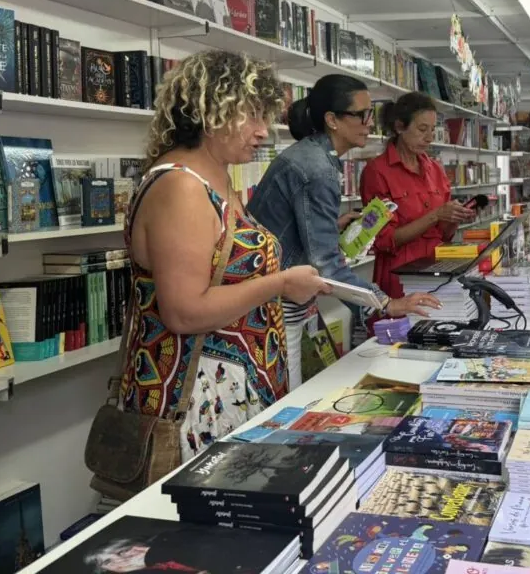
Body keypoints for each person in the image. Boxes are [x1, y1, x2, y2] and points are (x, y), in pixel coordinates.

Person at [119, 51, 330, 461]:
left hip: (230, 394)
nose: (263, 131)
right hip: (195, 404)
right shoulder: (181, 187)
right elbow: (184, 312)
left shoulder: (213, 177)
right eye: (251, 115)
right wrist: (282, 283)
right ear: (210, 112)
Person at [248, 75, 442, 388]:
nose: (370, 123)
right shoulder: (318, 169)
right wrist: (387, 303)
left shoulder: (313, 156)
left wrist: (332, 225)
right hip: (275, 304)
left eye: (371, 114)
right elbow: (326, 265)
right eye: (362, 115)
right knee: (287, 393)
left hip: (279, 296)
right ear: (332, 120)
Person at [359, 93, 476, 301]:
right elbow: (384, 240)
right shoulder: (376, 171)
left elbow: (444, 235)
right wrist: (436, 215)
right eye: (422, 129)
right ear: (399, 126)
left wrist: (455, 217)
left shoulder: (435, 169)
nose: (429, 138)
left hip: (438, 269)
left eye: (432, 129)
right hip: (400, 277)